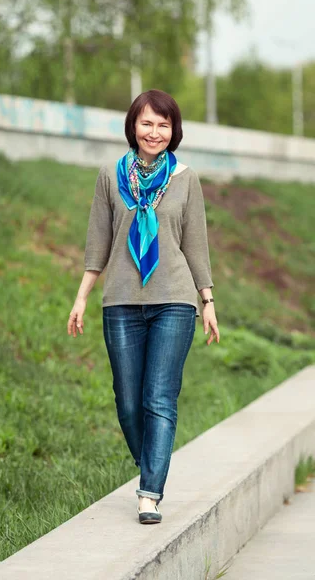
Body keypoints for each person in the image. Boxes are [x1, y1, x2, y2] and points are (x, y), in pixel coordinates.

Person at [67, 89, 219, 525]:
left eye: (164, 124)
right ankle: (152, 459)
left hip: (174, 299)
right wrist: (81, 297)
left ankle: (150, 491)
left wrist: (206, 300)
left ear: (175, 131)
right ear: (133, 126)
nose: (155, 132)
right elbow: (98, 242)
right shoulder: (109, 176)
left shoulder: (186, 179)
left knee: (159, 397)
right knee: (128, 401)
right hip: (121, 302)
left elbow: (195, 245)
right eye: (147, 123)